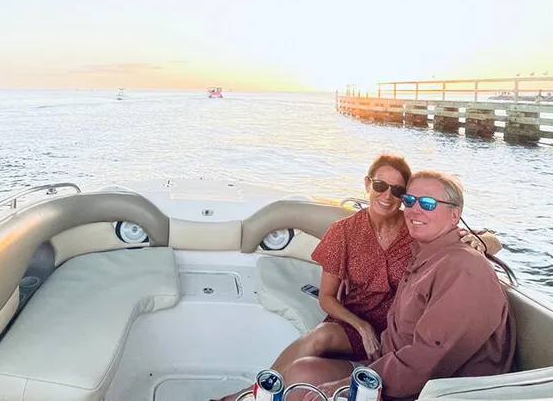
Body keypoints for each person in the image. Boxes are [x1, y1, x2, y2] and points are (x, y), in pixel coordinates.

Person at [214, 156, 502, 401]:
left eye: (400, 192)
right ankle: (254, 393)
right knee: (314, 348)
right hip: (368, 327)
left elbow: (475, 239)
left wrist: (483, 242)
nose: (389, 196)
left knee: (314, 372)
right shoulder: (351, 231)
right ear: (367, 185)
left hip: (400, 351)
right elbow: (327, 296)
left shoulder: (422, 236)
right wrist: (361, 325)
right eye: (380, 186)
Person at [288, 171, 516, 401]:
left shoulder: (462, 268)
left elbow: (429, 359)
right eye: (409, 200)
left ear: (454, 215)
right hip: (389, 365)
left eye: (427, 203)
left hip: (431, 389)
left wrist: (352, 385)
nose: (414, 210)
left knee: (313, 390)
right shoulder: (425, 252)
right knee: (302, 372)